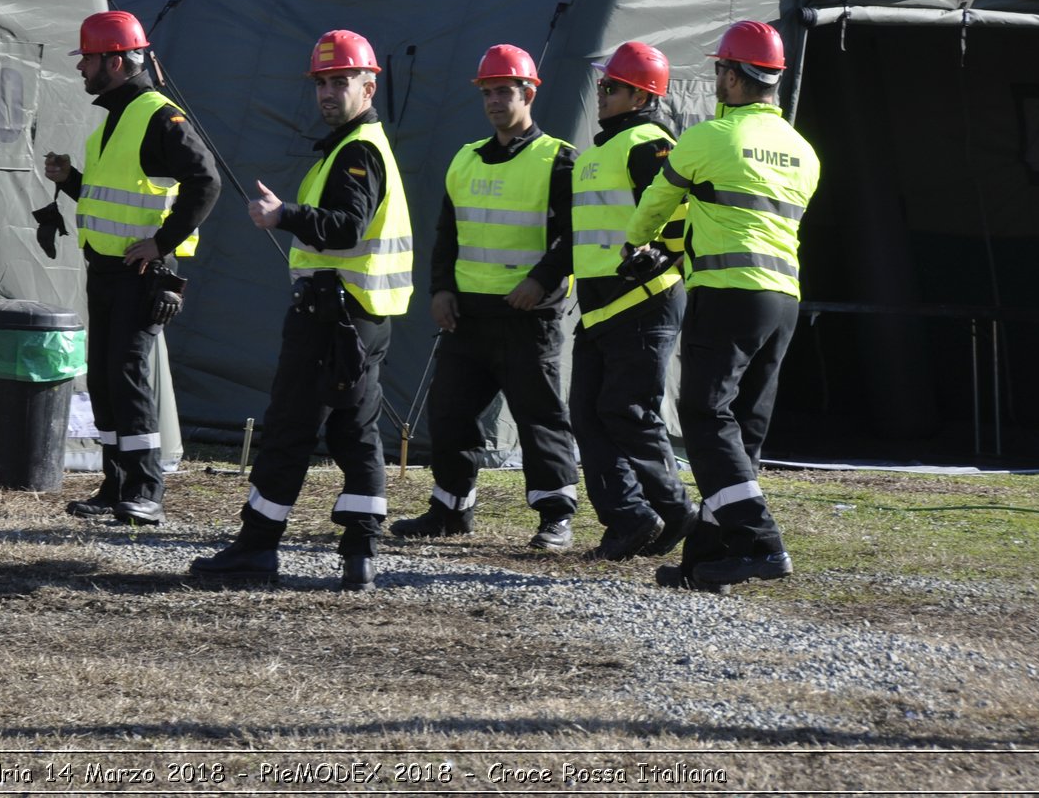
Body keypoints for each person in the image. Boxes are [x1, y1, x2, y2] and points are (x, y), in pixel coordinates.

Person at [190, 29, 412, 592]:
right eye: (321, 83)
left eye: (341, 82)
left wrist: (281, 215)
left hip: (331, 316)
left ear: (369, 86)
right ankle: (359, 551)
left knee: (291, 429)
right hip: (360, 317)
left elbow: (345, 228)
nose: (328, 93)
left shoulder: (357, 152)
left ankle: (257, 548)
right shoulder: (358, 147)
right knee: (355, 432)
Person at [623, 20, 820, 591]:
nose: (716, 81)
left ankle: (761, 541)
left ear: (733, 76)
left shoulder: (710, 137)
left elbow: (659, 199)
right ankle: (708, 559)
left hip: (727, 293)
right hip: (783, 300)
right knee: (743, 430)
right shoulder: (803, 152)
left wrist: (636, 243)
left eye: (718, 71)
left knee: (706, 415)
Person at [389, 44, 580, 550]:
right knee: (450, 414)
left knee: (539, 419)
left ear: (529, 93)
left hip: (528, 316)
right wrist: (441, 290)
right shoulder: (464, 160)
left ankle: (556, 515)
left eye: (504, 91)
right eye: (487, 92)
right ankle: (450, 510)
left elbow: (575, 235)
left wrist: (540, 280)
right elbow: (447, 234)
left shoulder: (560, 160)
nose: (494, 101)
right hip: (467, 315)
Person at [43, 10, 220, 526]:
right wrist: (72, 179)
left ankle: (146, 489)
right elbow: (110, 200)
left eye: (88, 60)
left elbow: (205, 183)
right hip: (106, 270)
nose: (81, 70)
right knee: (105, 378)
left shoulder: (159, 116)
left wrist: (161, 243)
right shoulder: (114, 120)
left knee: (127, 376)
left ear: (115, 62)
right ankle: (116, 485)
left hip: (142, 275)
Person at [569, 42, 696, 562]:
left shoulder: (651, 143)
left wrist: (661, 257)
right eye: (601, 85)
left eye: (611, 87)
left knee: (629, 413)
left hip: (642, 301)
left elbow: (679, 210)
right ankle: (630, 518)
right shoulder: (600, 151)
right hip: (601, 305)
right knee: (588, 413)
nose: (601, 94)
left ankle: (677, 511)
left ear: (642, 96)